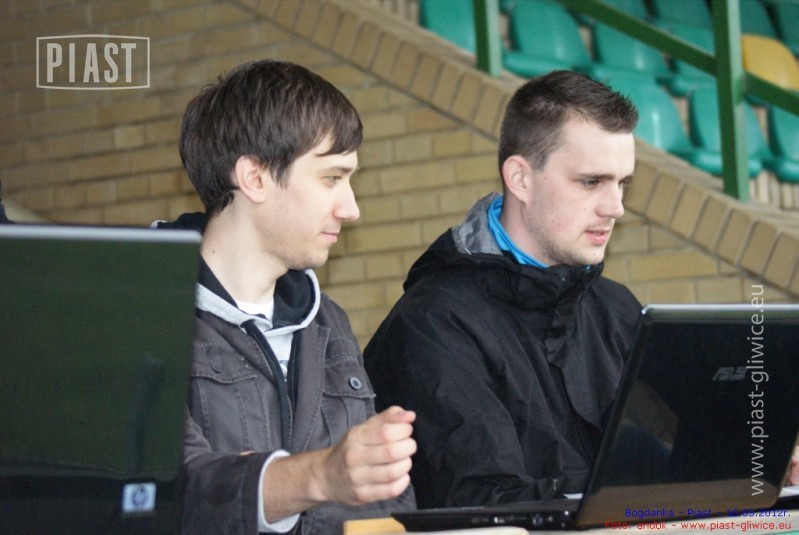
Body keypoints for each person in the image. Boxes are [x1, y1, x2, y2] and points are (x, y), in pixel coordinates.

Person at [363, 70, 642, 509]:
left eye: (622, 183)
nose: (616, 207)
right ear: (520, 178)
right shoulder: (431, 325)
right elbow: (480, 505)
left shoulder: (617, 308)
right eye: (592, 182)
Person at [158, 59, 416, 533]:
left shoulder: (328, 322)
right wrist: (319, 477)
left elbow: (386, 506)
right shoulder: (141, 316)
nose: (351, 208)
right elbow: (163, 494)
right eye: (332, 178)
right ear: (255, 178)